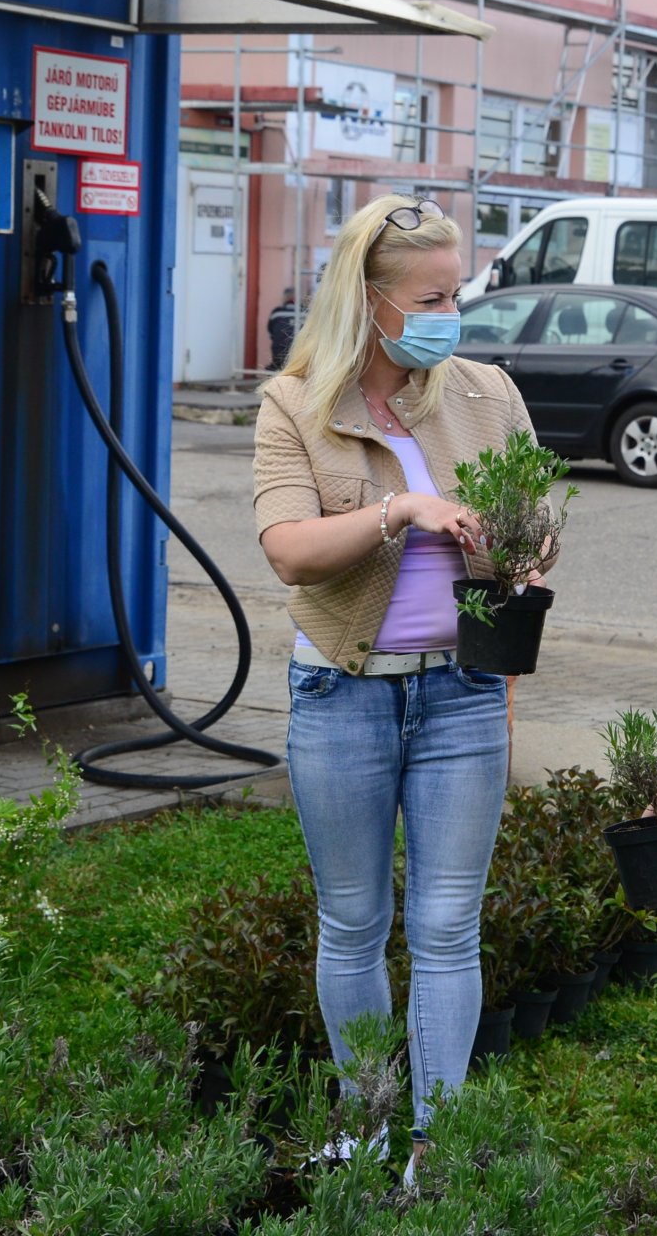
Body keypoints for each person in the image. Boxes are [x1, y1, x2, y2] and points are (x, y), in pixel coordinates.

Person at [252, 194, 552, 1181]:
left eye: (456, 291)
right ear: (372, 299)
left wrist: (525, 552)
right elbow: (291, 550)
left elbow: (535, 521)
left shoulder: (485, 393)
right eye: (432, 295)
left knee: (446, 923)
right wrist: (402, 512)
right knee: (354, 920)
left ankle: (436, 1140)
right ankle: (369, 1120)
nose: (449, 311)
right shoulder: (296, 403)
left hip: (461, 691)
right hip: (344, 693)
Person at [267, 286, 299, 370]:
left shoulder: (277, 313)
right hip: (298, 357)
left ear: (285, 298)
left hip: (278, 357)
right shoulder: (303, 313)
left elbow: (271, 334)